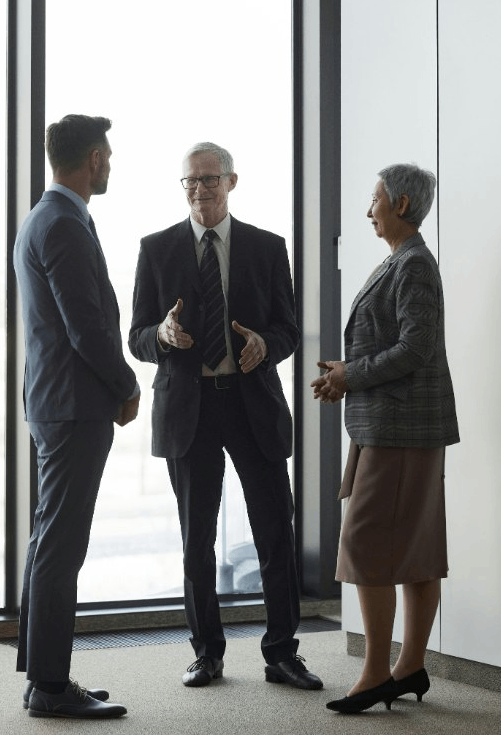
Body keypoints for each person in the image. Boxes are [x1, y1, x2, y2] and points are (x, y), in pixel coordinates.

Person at [129, 142, 322, 691]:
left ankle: (282, 652)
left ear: (232, 182)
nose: (199, 190)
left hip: (250, 403)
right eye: (190, 181)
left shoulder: (266, 247)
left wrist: (267, 343)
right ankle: (206, 654)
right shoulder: (157, 248)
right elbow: (137, 336)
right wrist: (161, 337)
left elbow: (287, 328)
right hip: (189, 407)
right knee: (197, 540)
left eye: (209, 180)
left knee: (273, 533)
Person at [311, 163, 459, 714]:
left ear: (399, 204)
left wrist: (351, 374)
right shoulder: (402, 260)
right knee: (416, 551)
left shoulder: (414, 264)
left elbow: (416, 350)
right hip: (395, 426)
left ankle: (377, 673)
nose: (367, 210)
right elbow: (399, 346)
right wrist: (347, 369)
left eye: (374, 200)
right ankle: (409, 666)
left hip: (401, 429)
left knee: (368, 546)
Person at [13, 114, 139, 719]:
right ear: (91, 159)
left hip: (55, 405)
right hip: (73, 407)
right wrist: (127, 383)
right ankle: (51, 686)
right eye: (107, 156)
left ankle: (42, 674)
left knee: (49, 540)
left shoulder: (45, 217)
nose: (110, 165)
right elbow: (84, 326)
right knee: (63, 547)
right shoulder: (63, 223)